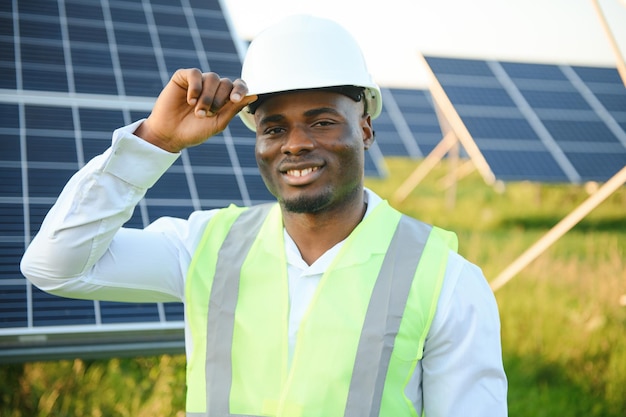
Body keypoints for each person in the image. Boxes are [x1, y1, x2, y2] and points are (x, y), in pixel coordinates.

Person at [21, 14, 507, 417]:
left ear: (365, 129)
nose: (295, 143)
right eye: (274, 127)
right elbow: (54, 266)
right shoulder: (206, 246)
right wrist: (155, 142)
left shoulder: (445, 279)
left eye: (321, 121)